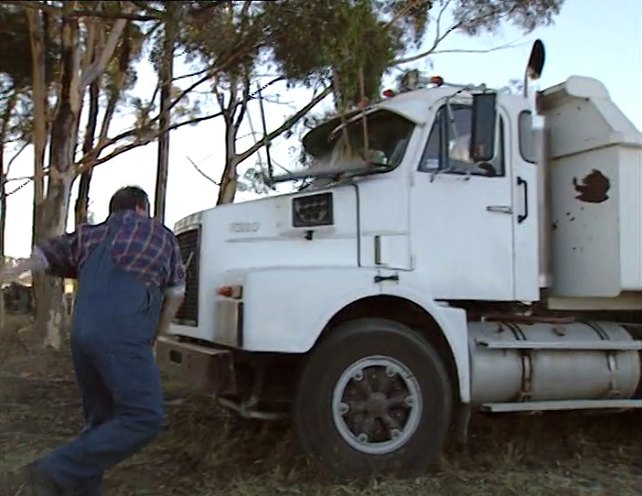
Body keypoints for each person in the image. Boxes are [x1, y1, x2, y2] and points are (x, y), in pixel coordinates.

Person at [0, 186, 186, 496]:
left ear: (114, 210)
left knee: (101, 422)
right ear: (143, 209)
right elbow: (176, 293)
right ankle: (48, 474)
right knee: (144, 416)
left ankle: (84, 490)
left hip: (83, 334)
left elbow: (44, 255)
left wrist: (11, 272)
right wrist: (155, 337)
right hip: (124, 333)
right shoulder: (161, 235)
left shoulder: (90, 233)